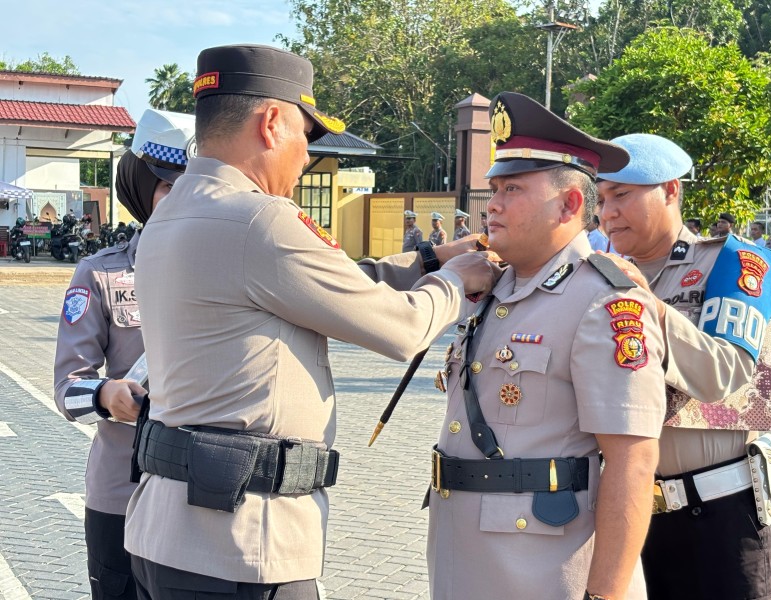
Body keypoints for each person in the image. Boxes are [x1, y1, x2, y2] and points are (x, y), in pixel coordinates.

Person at [124, 44, 498, 600]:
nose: (306, 158)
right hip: (244, 545)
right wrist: (456, 280)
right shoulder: (259, 219)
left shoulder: (174, 212)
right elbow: (398, 329)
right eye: (305, 136)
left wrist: (426, 261)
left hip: (168, 533)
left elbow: (319, 283)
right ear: (272, 123)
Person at [427, 92, 666, 600]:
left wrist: (605, 596)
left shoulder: (604, 302)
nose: (491, 203)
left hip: (544, 573)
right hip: (461, 560)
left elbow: (633, 461)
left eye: (512, 188)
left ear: (570, 203)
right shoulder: (493, 290)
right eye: (493, 188)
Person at [596, 133, 771, 600]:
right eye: (600, 199)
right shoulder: (595, 277)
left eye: (621, 195)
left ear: (671, 190)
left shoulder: (733, 261)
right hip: (624, 509)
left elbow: (725, 373)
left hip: (718, 515)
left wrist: (651, 308)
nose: (607, 212)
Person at [53, 108, 196, 600]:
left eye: (192, 187)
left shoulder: (229, 272)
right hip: (123, 494)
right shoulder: (100, 274)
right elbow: (68, 389)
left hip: (201, 499)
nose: (181, 201)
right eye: (166, 188)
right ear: (140, 189)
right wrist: (108, 393)